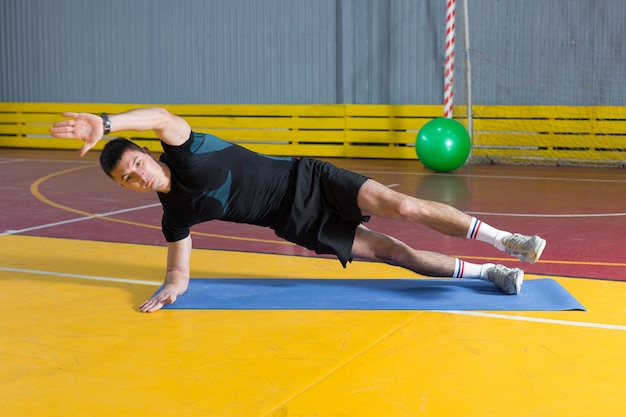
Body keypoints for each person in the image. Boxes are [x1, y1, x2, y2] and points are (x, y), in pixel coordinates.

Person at [50, 107, 546, 312]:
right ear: (128, 187)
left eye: (136, 163)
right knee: (394, 252)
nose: (138, 175)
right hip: (295, 221)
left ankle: (507, 241)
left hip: (307, 178)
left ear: (149, 155)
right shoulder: (173, 214)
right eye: (127, 179)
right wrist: (171, 289)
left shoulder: (185, 149)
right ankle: (490, 272)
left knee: (401, 204)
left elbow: (159, 116)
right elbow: (179, 269)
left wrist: (105, 122)